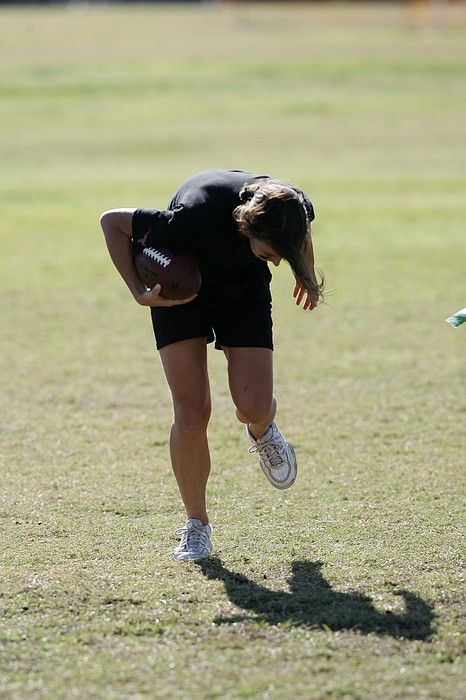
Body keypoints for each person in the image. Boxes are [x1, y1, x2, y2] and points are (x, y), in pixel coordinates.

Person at [100, 169, 324, 562]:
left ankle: (263, 430)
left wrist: (305, 273)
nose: (275, 264)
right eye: (271, 254)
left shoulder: (292, 206)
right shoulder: (194, 218)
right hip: (181, 283)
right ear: (248, 227)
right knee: (191, 410)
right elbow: (112, 223)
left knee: (253, 404)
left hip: (241, 287)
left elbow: (301, 232)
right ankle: (196, 525)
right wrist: (138, 290)